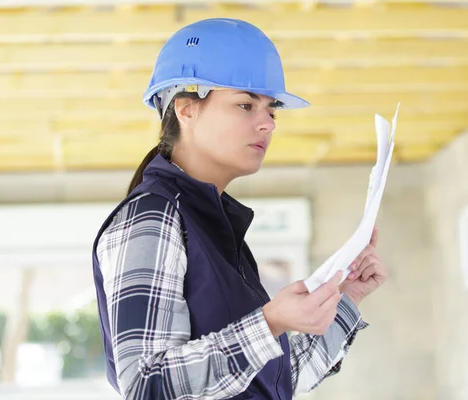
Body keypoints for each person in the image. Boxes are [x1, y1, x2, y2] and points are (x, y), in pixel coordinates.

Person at [91, 18, 388, 400]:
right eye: (246, 104)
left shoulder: (213, 229)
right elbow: (147, 385)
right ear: (185, 109)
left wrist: (347, 298)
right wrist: (270, 322)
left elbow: (274, 384)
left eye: (272, 110)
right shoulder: (153, 216)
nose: (268, 124)